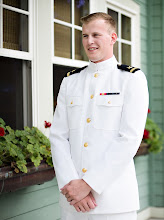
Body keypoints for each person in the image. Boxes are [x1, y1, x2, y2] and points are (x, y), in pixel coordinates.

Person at [49, 12, 149, 220]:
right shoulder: (70, 81)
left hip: (114, 201)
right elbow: (58, 136)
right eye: (85, 35)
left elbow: (129, 138)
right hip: (73, 203)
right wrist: (72, 188)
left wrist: (88, 185)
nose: (89, 41)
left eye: (96, 34)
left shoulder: (131, 79)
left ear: (113, 38)